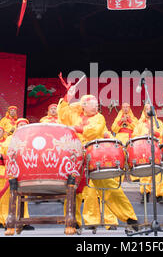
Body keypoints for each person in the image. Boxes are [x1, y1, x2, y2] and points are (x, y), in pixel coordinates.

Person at [57, 86, 139, 230]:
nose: (96, 105)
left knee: (110, 187)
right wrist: (68, 96)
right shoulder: (74, 115)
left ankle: (130, 218)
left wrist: (75, 129)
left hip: (93, 157)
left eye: (96, 103)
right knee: (73, 190)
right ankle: (72, 222)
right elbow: (62, 113)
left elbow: (93, 131)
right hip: (75, 156)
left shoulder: (99, 117)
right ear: (84, 106)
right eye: (93, 103)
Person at [4, 117, 35, 231]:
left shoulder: (31, 139)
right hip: (13, 168)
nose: (22, 127)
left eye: (24, 125)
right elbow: (5, 150)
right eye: (20, 125)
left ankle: (24, 220)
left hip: (25, 168)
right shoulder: (10, 138)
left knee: (24, 194)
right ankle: (9, 220)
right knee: (11, 195)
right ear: (16, 127)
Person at [132, 103, 163, 204]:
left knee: (158, 172)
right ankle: (145, 194)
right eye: (146, 109)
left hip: (156, 149)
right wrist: (143, 136)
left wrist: (154, 133)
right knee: (145, 172)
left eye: (149, 109)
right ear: (144, 111)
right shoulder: (139, 123)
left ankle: (159, 195)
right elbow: (134, 136)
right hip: (143, 150)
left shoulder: (158, 122)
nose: (148, 111)